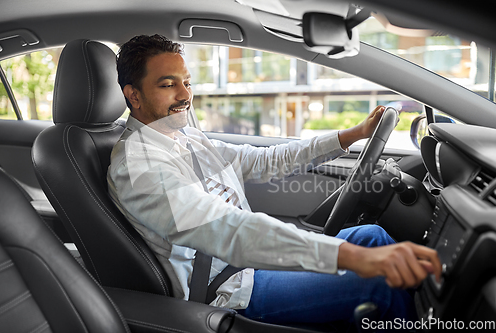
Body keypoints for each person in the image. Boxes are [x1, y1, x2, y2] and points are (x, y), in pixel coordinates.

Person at [108, 34, 441, 328]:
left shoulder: (186, 138)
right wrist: (353, 258)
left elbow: (265, 160)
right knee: (380, 281)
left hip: (248, 264)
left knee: (374, 236)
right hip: (230, 289)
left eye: (188, 82)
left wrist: (351, 135)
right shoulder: (138, 165)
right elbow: (227, 229)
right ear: (134, 96)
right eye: (168, 85)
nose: (185, 95)